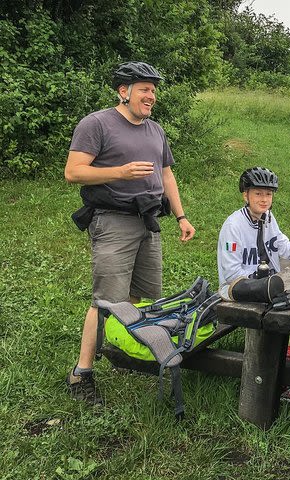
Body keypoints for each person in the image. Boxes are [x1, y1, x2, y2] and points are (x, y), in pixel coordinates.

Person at [64, 61, 196, 405]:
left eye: (153, 89)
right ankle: (81, 374)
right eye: (144, 88)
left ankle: (126, 350)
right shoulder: (96, 124)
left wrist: (181, 216)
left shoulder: (156, 130)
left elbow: (166, 175)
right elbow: (73, 171)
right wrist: (120, 173)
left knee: (141, 298)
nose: (151, 95)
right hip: (112, 221)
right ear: (124, 92)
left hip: (148, 222)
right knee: (106, 301)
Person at [217, 166, 290, 404]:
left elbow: (286, 251)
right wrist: (263, 283)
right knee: (282, 298)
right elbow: (231, 274)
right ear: (245, 195)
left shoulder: (269, 219)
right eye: (258, 193)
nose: (264, 199)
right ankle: (283, 378)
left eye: (268, 194)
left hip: (271, 285)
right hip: (239, 288)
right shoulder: (234, 225)